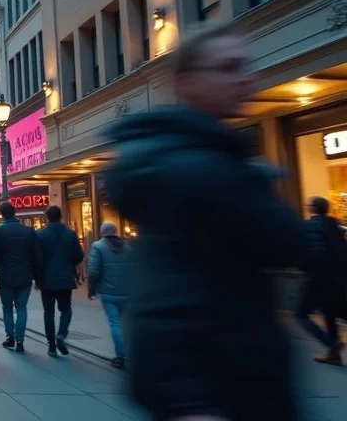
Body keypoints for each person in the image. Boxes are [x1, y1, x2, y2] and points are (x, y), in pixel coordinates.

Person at [103, 23, 306, 420]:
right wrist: (188, 402)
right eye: (229, 68)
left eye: (247, 66)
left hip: (239, 380)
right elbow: (170, 292)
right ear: (189, 82)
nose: (246, 78)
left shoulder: (207, 158)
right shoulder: (199, 168)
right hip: (220, 391)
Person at [297, 196, 347, 365]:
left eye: (308, 204)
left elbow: (314, 254)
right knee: (330, 313)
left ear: (312, 208)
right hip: (339, 278)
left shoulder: (311, 226)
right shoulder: (335, 226)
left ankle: (333, 345)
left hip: (319, 280)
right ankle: (334, 354)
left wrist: (303, 266)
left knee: (301, 313)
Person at [0, 202, 40, 354]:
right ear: (15, 212)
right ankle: (20, 339)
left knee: (7, 308)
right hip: (25, 275)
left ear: (1, 214)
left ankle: (10, 337)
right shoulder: (28, 231)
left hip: (6, 275)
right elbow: (36, 255)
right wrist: (36, 275)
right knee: (22, 308)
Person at [36, 205, 83, 357]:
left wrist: (37, 278)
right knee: (66, 309)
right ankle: (61, 334)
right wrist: (70, 265)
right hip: (65, 278)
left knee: (48, 313)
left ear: (46, 217)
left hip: (46, 280)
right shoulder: (70, 234)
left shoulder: (40, 235)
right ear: (61, 216)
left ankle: (51, 346)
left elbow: (36, 258)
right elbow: (78, 255)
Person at [87, 222, 133, 369]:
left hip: (108, 292)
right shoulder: (127, 247)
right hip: (126, 292)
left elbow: (93, 271)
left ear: (102, 232)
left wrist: (91, 289)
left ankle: (120, 356)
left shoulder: (98, 247)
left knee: (114, 323)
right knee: (126, 323)